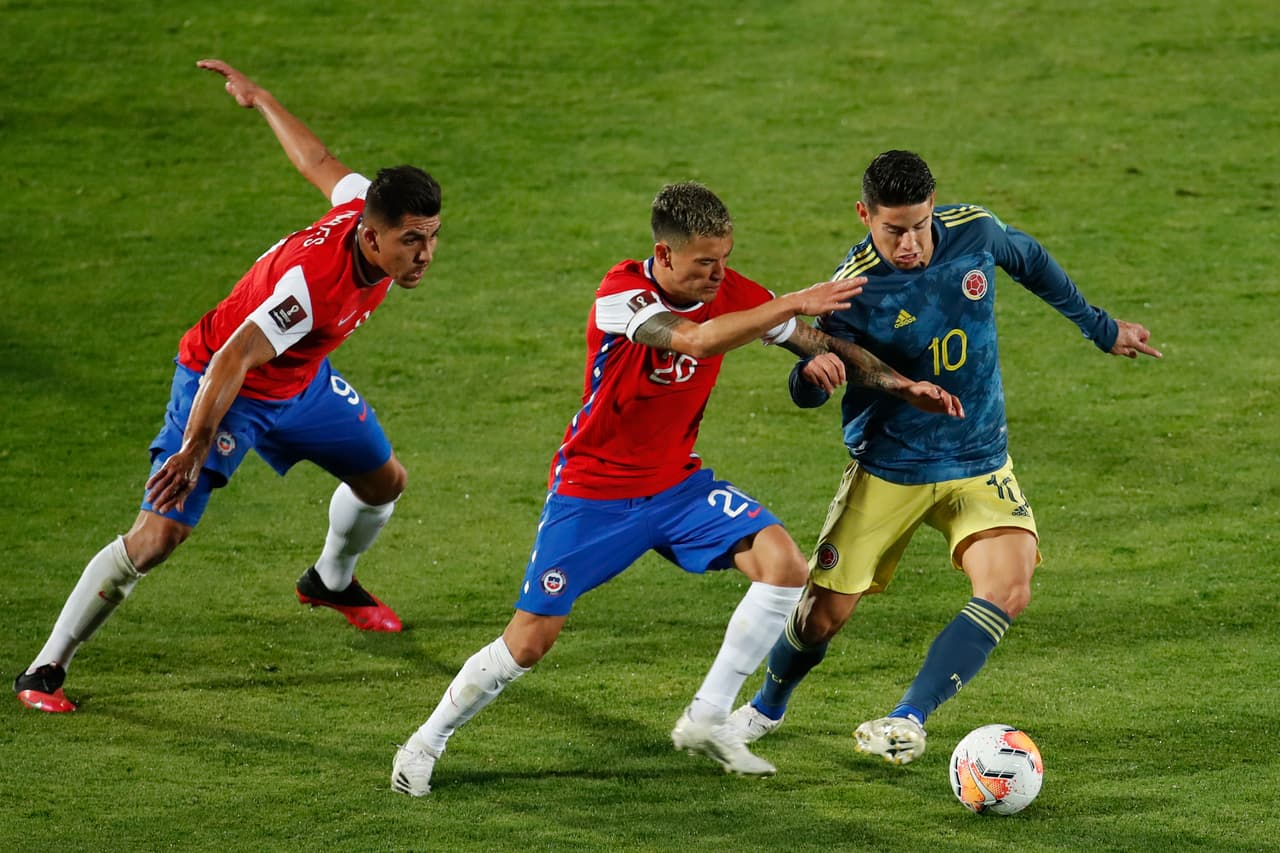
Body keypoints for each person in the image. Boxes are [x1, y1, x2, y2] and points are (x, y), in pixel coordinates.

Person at [389, 180, 964, 795]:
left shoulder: (732, 291)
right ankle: (425, 743)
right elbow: (694, 339)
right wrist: (793, 301)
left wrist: (900, 385)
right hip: (594, 493)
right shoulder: (620, 296)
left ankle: (708, 716)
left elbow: (819, 341)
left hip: (677, 486)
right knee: (529, 643)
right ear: (664, 255)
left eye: (725, 260)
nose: (719, 276)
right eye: (704, 264)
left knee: (784, 565)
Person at [13, 59, 443, 713]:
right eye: (411, 242)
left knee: (385, 481)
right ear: (372, 236)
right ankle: (44, 667)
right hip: (225, 388)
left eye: (432, 239)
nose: (424, 255)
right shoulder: (308, 291)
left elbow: (318, 159)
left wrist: (262, 98)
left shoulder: (365, 207)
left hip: (300, 384)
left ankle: (329, 579)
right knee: (157, 538)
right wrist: (193, 445)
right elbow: (233, 358)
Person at [729, 149, 1162, 764]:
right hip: (891, 467)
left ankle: (908, 717)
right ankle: (766, 707)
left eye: (919, 225)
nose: (910, 244)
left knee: (1010, 587)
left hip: (980, 459)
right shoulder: (850, 290)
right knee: (822, 618)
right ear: (864, 215)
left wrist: (1099, 326)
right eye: (893, 230)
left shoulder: (975, 232)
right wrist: (812, 377)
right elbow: (808, 379)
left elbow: (1031, 259)